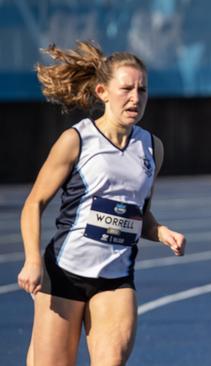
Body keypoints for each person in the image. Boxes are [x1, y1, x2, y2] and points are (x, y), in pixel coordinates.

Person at [17, 40, 186, 366]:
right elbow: (33, 203)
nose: (136, 98)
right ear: (102, 92)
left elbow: (138, 212)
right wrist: (31, 261)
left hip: (115, 279)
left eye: (142, 90)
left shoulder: (152, 148)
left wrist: (161, 231)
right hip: (64, 274)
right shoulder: (76, 141)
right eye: (126, 89)